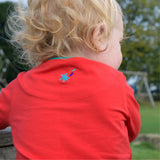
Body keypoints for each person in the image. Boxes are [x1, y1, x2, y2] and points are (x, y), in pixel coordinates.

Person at [0, 0, 141, 159]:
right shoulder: (117, 84)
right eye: (119, 42)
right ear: (98, 36)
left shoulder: (20, 88)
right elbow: (131, 131)